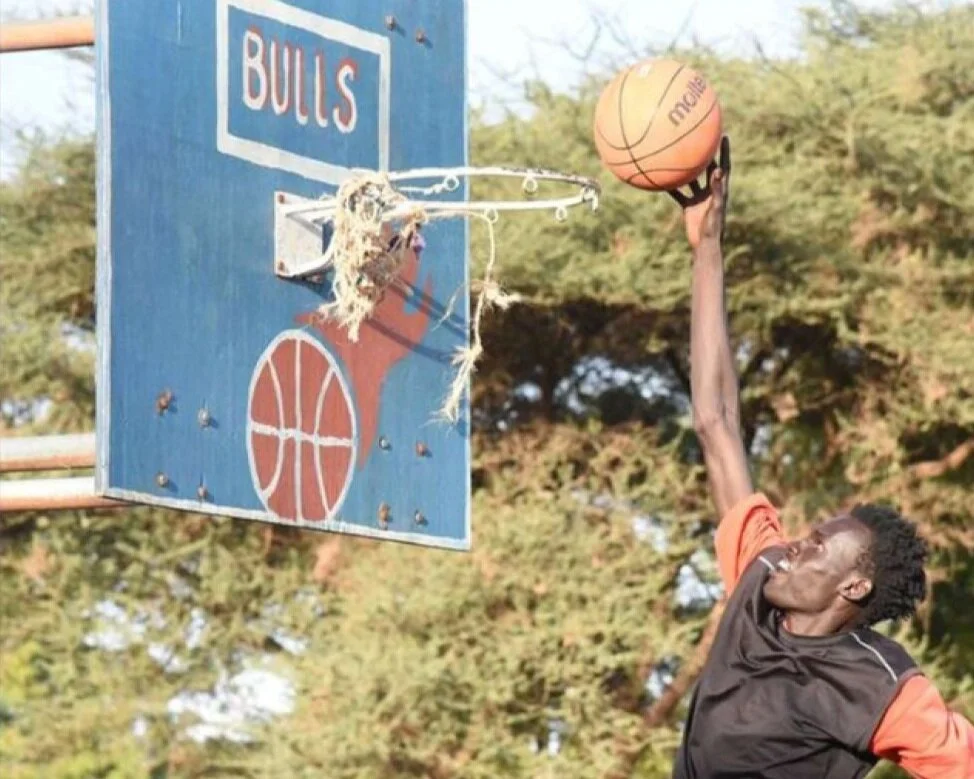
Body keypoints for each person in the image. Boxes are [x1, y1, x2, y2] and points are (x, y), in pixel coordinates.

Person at [667, 137, 974, 778]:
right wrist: (708, 249)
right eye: (806, 538)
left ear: (853, 586)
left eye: (815, 546)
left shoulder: (881, 686)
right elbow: (716, 422)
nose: (796, 545)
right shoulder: (761, 580)